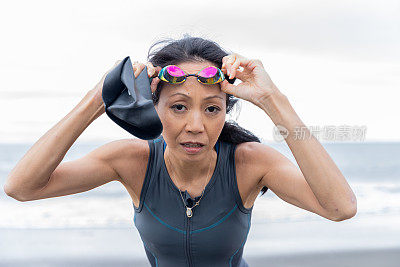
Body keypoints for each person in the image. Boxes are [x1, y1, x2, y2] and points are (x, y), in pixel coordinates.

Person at [3, 34, 357, 267]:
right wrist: (101, 97)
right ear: (154, 107)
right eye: (178, 107)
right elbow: (22, 187)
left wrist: (272, 99)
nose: (196, 126)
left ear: (225, 113)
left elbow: (340, 208)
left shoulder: (251, 162)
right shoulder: (133, 161)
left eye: (212, 109)